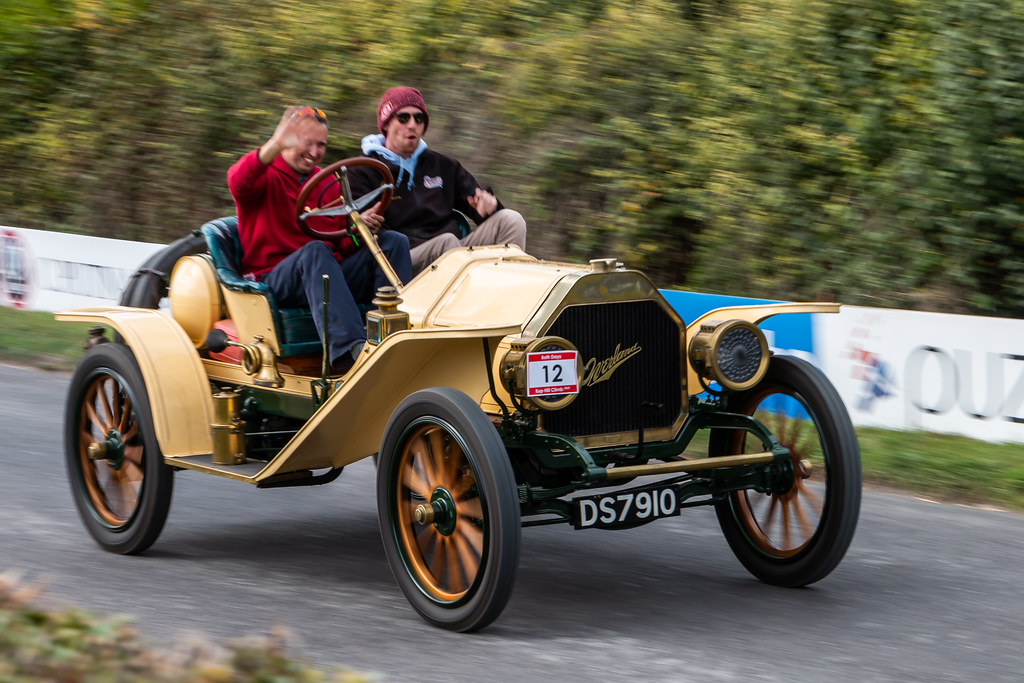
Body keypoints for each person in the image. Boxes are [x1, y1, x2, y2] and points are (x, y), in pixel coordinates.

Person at [227, 106, 412, 374]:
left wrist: (360, 231)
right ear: (288, 139)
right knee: (315, 250)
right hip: (274, 280)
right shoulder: (264, 177)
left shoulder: (326, 184)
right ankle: (350, 352)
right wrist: (274, 144)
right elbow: (237, 182)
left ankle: (390, 335)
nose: (314, 152)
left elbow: (344, 246)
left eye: (321, 145)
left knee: (394, 241)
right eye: (307, 143)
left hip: (322, 275)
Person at [347, 86, 527, 274]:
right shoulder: (363, 171)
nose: (412, 125)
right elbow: (354, 234)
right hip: (401, 259)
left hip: (454, 251)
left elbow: (478, 205)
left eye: (419, 119)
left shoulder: (443, 166)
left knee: (511, 219)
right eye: (403, 118)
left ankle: (507, 291)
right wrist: (364, 225)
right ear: (385, 124)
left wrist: (491, 208)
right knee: (447, 244)